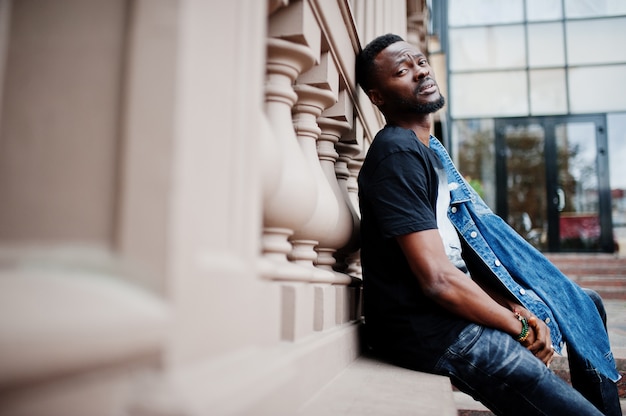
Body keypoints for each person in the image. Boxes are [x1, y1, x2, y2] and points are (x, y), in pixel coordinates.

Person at [355, 33, 621, 416]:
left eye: (420, 61)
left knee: (585, 305)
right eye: (402, 70)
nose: (419, 71)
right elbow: (438, 279)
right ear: (377, 96)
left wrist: (513, 306)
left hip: (450, 316)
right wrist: (521, 328)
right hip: (432, 332)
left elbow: (458, 264)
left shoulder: (430, 154)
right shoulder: (397, 152)